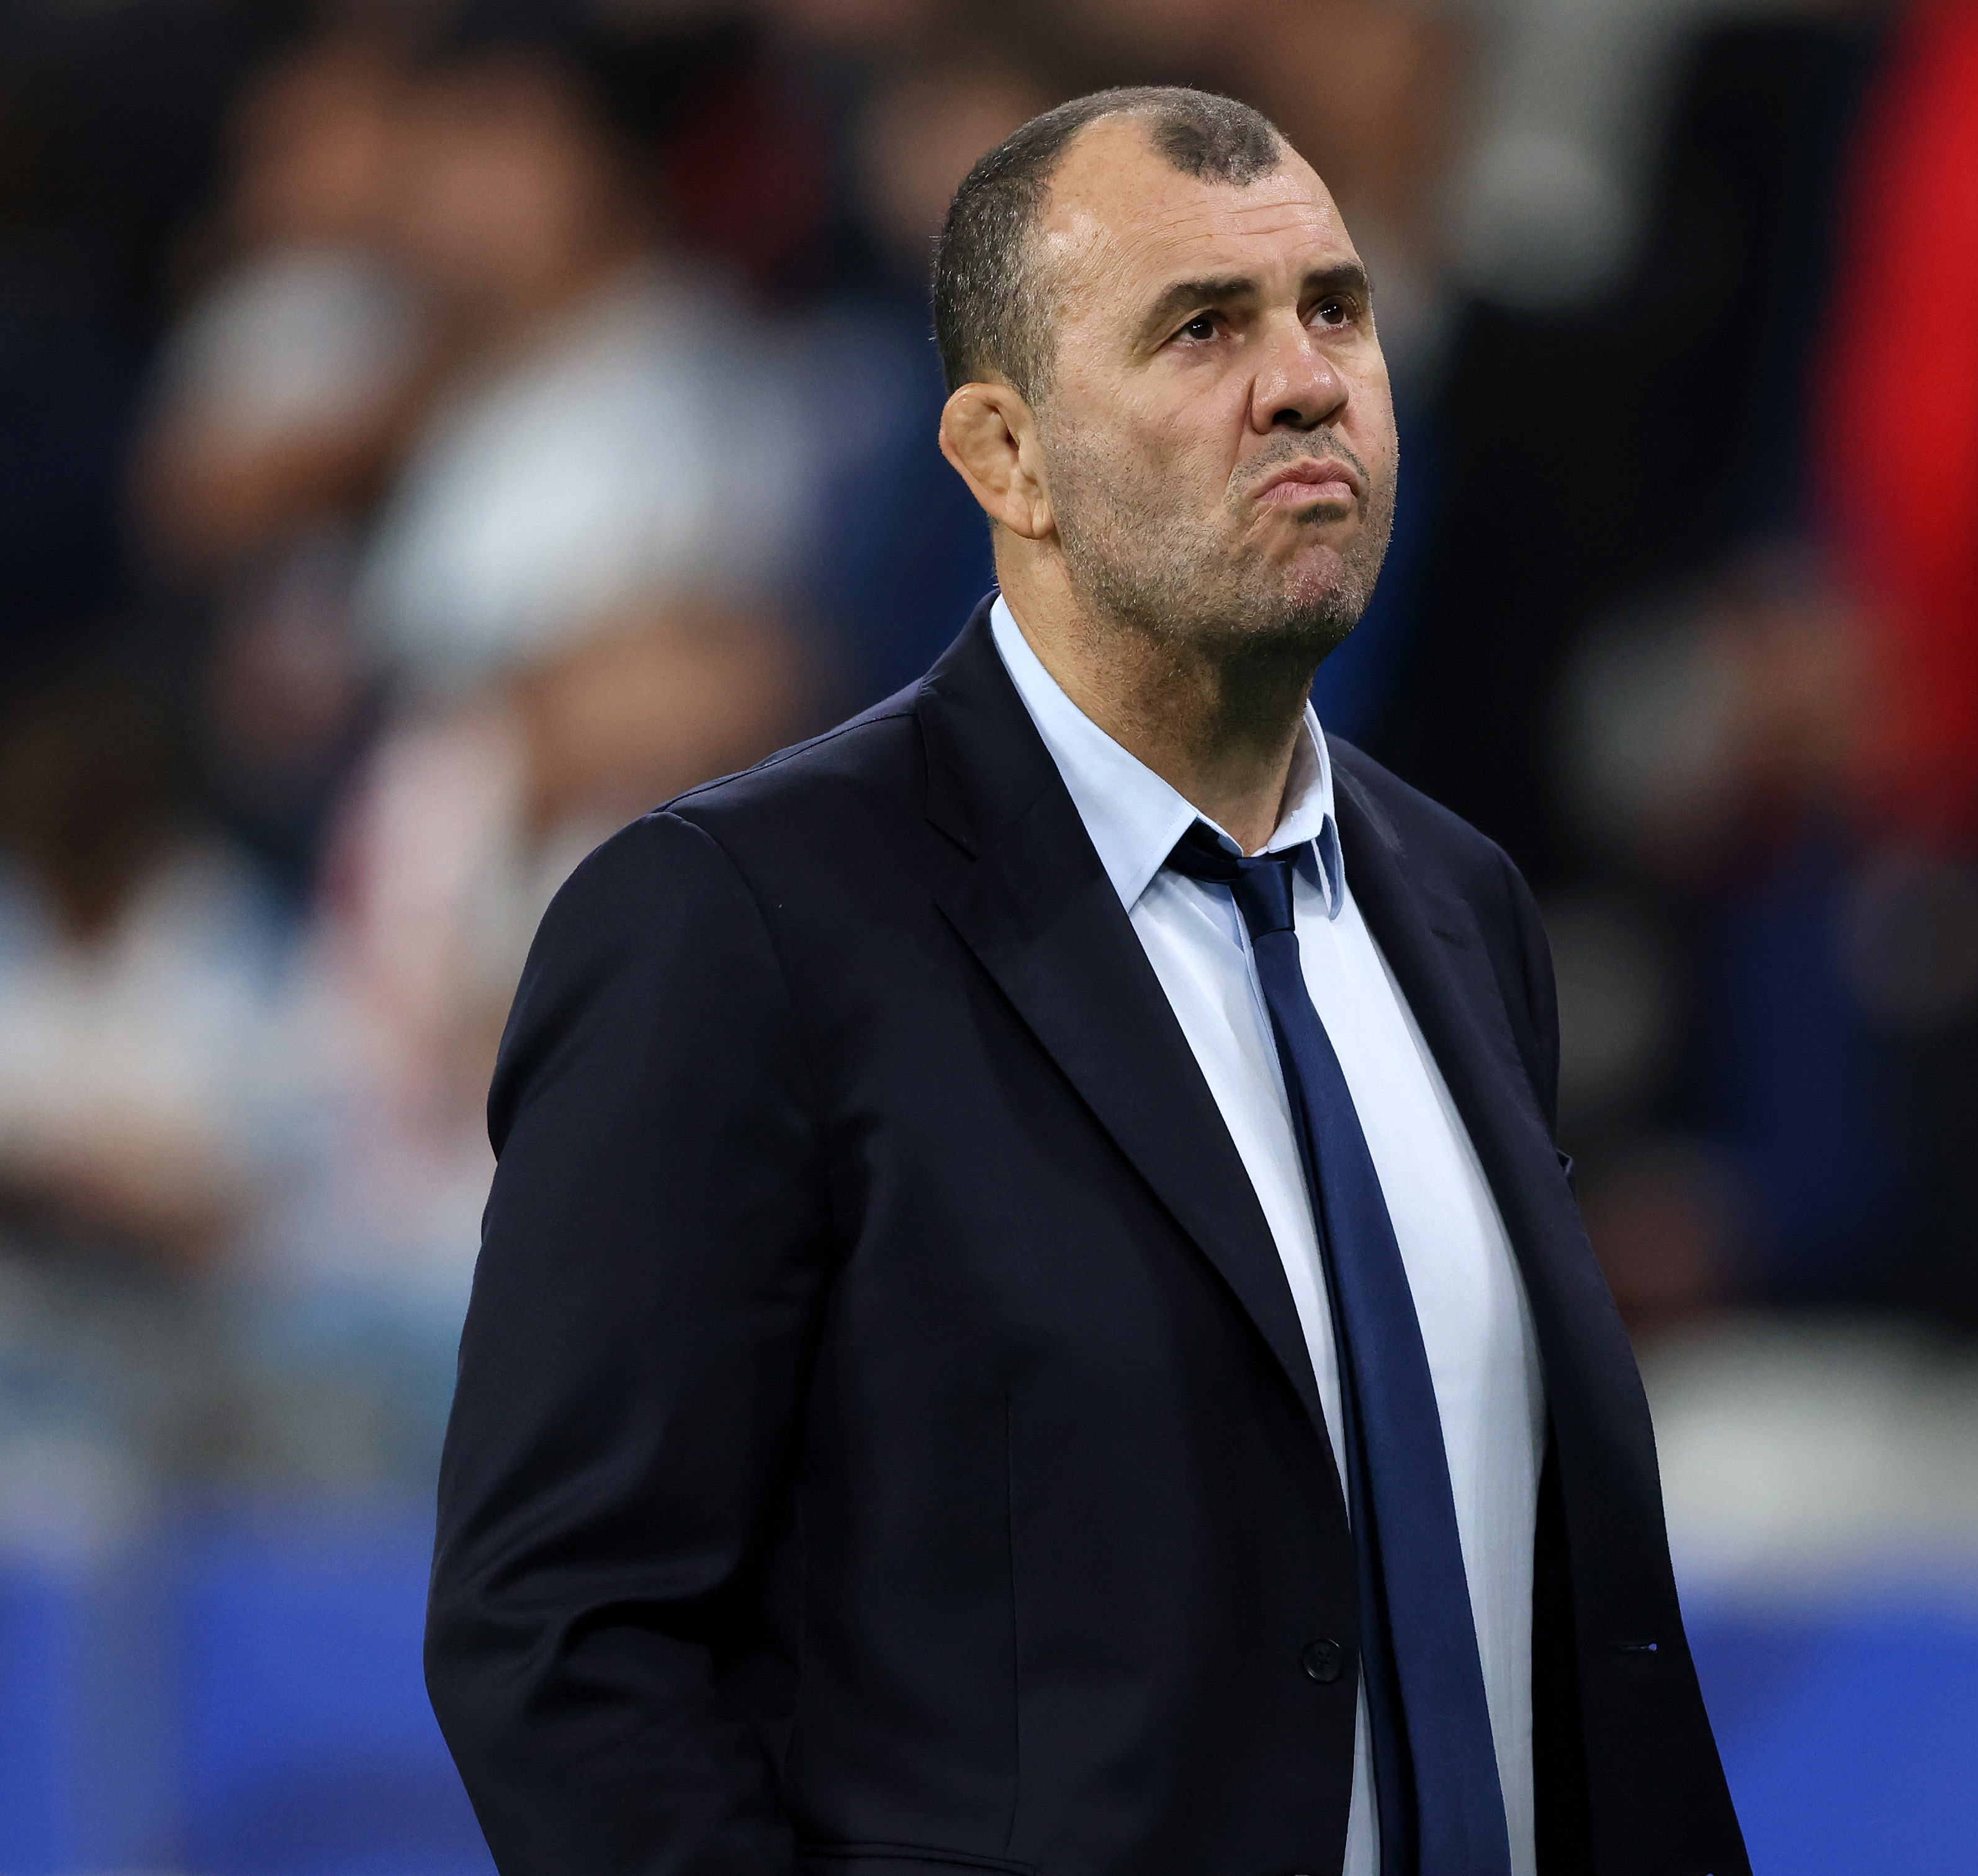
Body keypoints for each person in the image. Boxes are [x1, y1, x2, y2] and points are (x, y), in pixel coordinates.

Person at [423, 86, 1748, 1876]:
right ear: (1004, 455)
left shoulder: (1457, 906)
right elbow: (564, 1640)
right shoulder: (740, 925)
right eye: (1201, 328)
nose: (1306, 383)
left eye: (1335, 312)